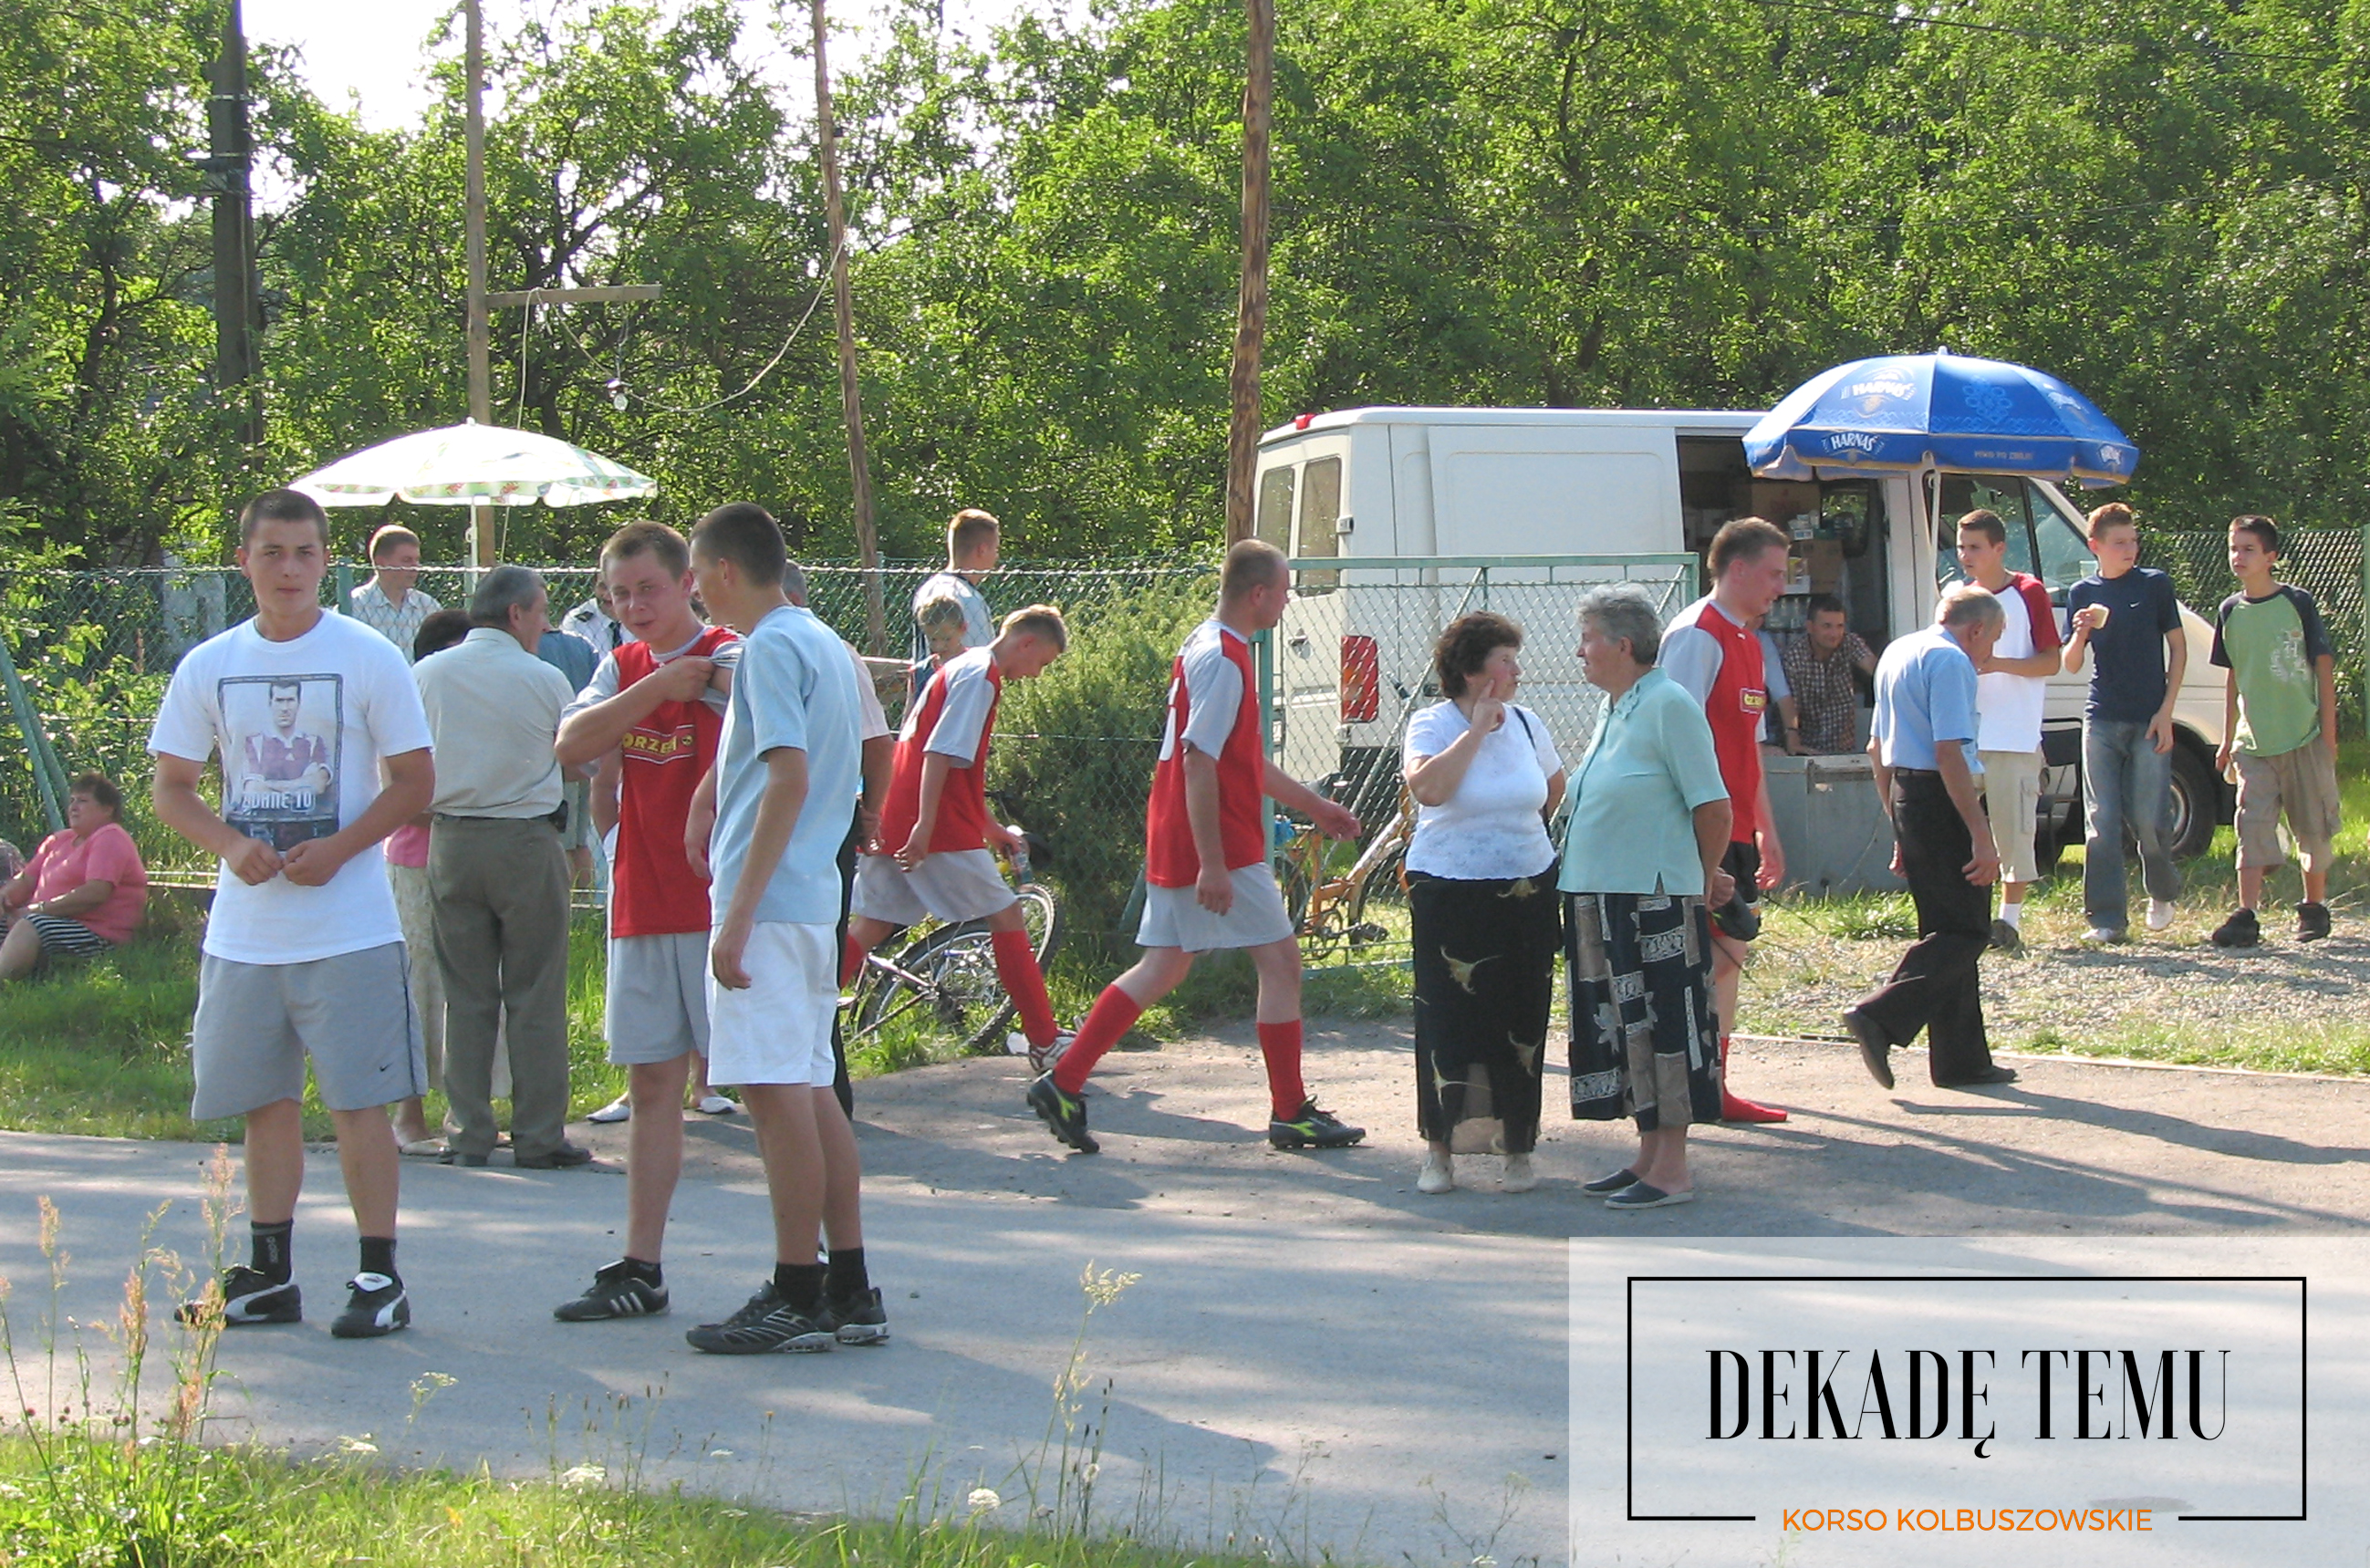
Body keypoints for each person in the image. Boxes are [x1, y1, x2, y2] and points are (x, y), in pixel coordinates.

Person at [151, 487, 434, 1339]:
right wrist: (230, 845)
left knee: (359, 1103)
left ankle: (378, 1273)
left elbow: (416, 783)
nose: (288, 570)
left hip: (348, 926)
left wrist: (343, 847)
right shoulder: (209, 663)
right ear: (244, 561)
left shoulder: (368, 656)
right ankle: (269, 1271)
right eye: (271, 553)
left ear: (326, 561)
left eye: (304, 553)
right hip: (247, 930)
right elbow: (172, 788)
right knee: (263, 1102)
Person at [1026, 539, 1366, 1156]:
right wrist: (1213, 861)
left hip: (1185, 833)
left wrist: (1314, 805)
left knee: (1165, 966)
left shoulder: (1204, 644)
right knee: (1282, 963)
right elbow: (1199, 758)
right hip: (1218, 841)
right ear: (1258, 593)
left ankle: (1065, 1080)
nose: (1289, 600)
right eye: (1285, 589)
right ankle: (1290, 1111)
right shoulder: (1226, 659)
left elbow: (1237, 758)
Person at [681, 503, 884, 1354]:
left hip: (774, 905)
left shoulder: (765, 646)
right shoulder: (825, 643)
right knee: (807, 1089)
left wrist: (738, 913)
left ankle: (795, 1290)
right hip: (813, 903)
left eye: (696, 574)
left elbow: (788, 779)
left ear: (726, 569)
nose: (695, 592)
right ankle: (850, 1283)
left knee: (775, 1101)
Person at [546, 521, 743, 1321]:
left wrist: (692, 684)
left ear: (689, 582)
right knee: (653, 1083)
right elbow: (572, 742)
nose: (633, 606)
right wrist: (657, 688)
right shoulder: (623, 667)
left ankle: (816, 1265)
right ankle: (641, 1261)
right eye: (619, 593)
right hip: (642, 901)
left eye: (648, 589)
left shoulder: (734, 652)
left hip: (723, 903)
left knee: (764, 1087)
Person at [1562, 586, 1731, 1210]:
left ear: (1622, 644)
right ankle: (1647, 1155)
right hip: (1602, 896)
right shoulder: (1618, 705)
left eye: (1587, 639)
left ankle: (1673, 1169)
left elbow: (1713, 807)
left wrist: (1702, 876)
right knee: (1623, 1027)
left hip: (1654, 901)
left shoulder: (1668, 704)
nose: (1579, 651)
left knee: (1665, 1024)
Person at [847, 606, 1074, 1068]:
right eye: (1042, 663)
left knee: (871, 924)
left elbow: (952, 765)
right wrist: (925, 827)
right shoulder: (980, 678)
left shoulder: (964, 667)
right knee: (1007, 917)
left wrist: (989, 828)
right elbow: (940, 755)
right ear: (1025, 643)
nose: (1036, 674)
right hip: (933, 826)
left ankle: (795, 1024)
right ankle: (1045, 1040)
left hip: (900, 813)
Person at [413, 566, 586, 1170]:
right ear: (517, 614)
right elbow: (573, 759)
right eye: (540, 612)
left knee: (466, 994)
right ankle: (538, 1133)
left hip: (451, 840)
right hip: (525, 839)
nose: (544, 623)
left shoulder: (426, 675)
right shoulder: (545, 679)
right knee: (534, 991)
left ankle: (468, 1131)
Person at [1401, 612, 1564, 1195]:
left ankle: (1517, 1148)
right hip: (1449, 888)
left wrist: (1516, 833)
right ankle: (1439, 1151)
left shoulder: (1528, 723)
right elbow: (1430, 790)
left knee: (1521, 1017)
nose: (1517, 671)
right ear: (1473, 669)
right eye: (1505, 660)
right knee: (1448, 1019)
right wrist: (1475, 731)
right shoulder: (1430, 724)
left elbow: (1553, 787)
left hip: (1525, 886)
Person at [1842, 585, 2014, 1091]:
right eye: (1994, 638)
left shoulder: (1899, 651)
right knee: (1968, 931)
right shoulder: (1952, 662)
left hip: (1908, 795)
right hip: (1944, 799)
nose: (1991, 652)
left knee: (1944, 927)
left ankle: (1961, 1059)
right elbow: (1949, 753)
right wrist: (1981, 835)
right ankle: (1881, 1013)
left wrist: (1897, 822)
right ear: (1976, 628)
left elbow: (1877, 747)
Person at [1659, 516, 1792, 1123]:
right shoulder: (1696, 635)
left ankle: (1713, 1082)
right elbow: (1671, 738)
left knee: (1730, 952)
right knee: (1693, 958)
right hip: (1699, 830)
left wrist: (1767, 830)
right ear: (1736, 568)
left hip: (1736, 831)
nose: (1780, 588)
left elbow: (1750, 748)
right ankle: (1680, 1086)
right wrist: (1694, 842)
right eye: (1773, 574)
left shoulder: (1749, 642)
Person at [2209, 514, 2341, 947]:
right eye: (2234, 548)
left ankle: (2313, 908)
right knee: (2252, 824)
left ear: (2271, 557)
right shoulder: (2229, 611)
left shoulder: (2297, 603)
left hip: (2302, 735)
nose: (2238, 557)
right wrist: (2229, 738)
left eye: (2248, 549)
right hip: (2254, 741)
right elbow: (2233, 677)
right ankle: (2247, 914)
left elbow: (2322, 666)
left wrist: (2328, 734)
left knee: (2312, 825)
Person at [2063, 502, 2187, 942]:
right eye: (2120, 542)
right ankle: (2107, 919)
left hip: (2149, 718)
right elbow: (2072, 663)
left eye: (2133, 540)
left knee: (2149, 818)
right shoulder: (2082, 592)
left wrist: (2167, 711)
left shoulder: (2154, 585)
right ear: (2096, 546)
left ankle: (2162, 889)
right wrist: (2079, 633)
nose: (2130, 548)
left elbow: (2179, 649)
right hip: (2101, 718)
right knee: (2102, 818)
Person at [1951, 512, 2062, 951]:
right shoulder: (1955, 594)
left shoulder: (2028, 592)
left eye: (1974, 547)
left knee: (2013, 829)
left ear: (1999, 549)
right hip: (1965, 734)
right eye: (1961, 546)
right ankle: (1966, 917)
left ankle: (2008, 922)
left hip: (2014, 732)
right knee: (1961, 828)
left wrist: (1997, 663)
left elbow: (2050, 661)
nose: (1965, 556)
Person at [386, 608, 473, 1151]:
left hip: (468, 858)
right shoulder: (407, 707)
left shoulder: (472, 709)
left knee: (468, 986)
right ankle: (407, 1115)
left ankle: (467, 1111)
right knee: (416, 982)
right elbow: (397, 793)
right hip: (416, 861)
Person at [0, 771, 149, 980]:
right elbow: (26, 880)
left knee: (31, 925)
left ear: (107, 809)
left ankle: (5, 989)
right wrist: (5, 899)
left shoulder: (110, 836)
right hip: (51, 920)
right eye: (72, 800)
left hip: (97, 932)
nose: (73, 807)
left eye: (83, 801)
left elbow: (95, 893)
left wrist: (37, 910)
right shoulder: (59, 840)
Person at [535, 624, 602, 888]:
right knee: (579, 842)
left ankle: (568, 910)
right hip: (586, 750)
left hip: (553, 757)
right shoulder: (581, 644)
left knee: (559, 842)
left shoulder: (530, 649)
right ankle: (585, 911)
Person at [907, 508, 1000, 699]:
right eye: (995, 549)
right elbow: (979, 664)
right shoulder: (967, 598)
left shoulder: (929, 587)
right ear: (982, 549)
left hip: (926, 694)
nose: (996, 557)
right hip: (954, 698)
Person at [1777, 595, 1878, 757]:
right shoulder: (1795, 657)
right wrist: (1792, 738)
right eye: (1827, 626)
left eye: (1839, 626)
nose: (1835, 633)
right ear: (1810, 627)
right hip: (1807, 752)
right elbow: (1790, 705)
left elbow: (1875, 668)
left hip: (1843, 749)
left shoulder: (1849, 642)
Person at [347, 524, 441, 659]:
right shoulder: (355, 606)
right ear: (382, 563)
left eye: (417, 560)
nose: (416, 567)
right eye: (407, 560)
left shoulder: (428, 606)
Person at [562, 577, 627, 657]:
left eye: (617, 588)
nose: (608, 596)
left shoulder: (642, 615)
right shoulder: (577, 622)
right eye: (603, 586)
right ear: (594, 586)